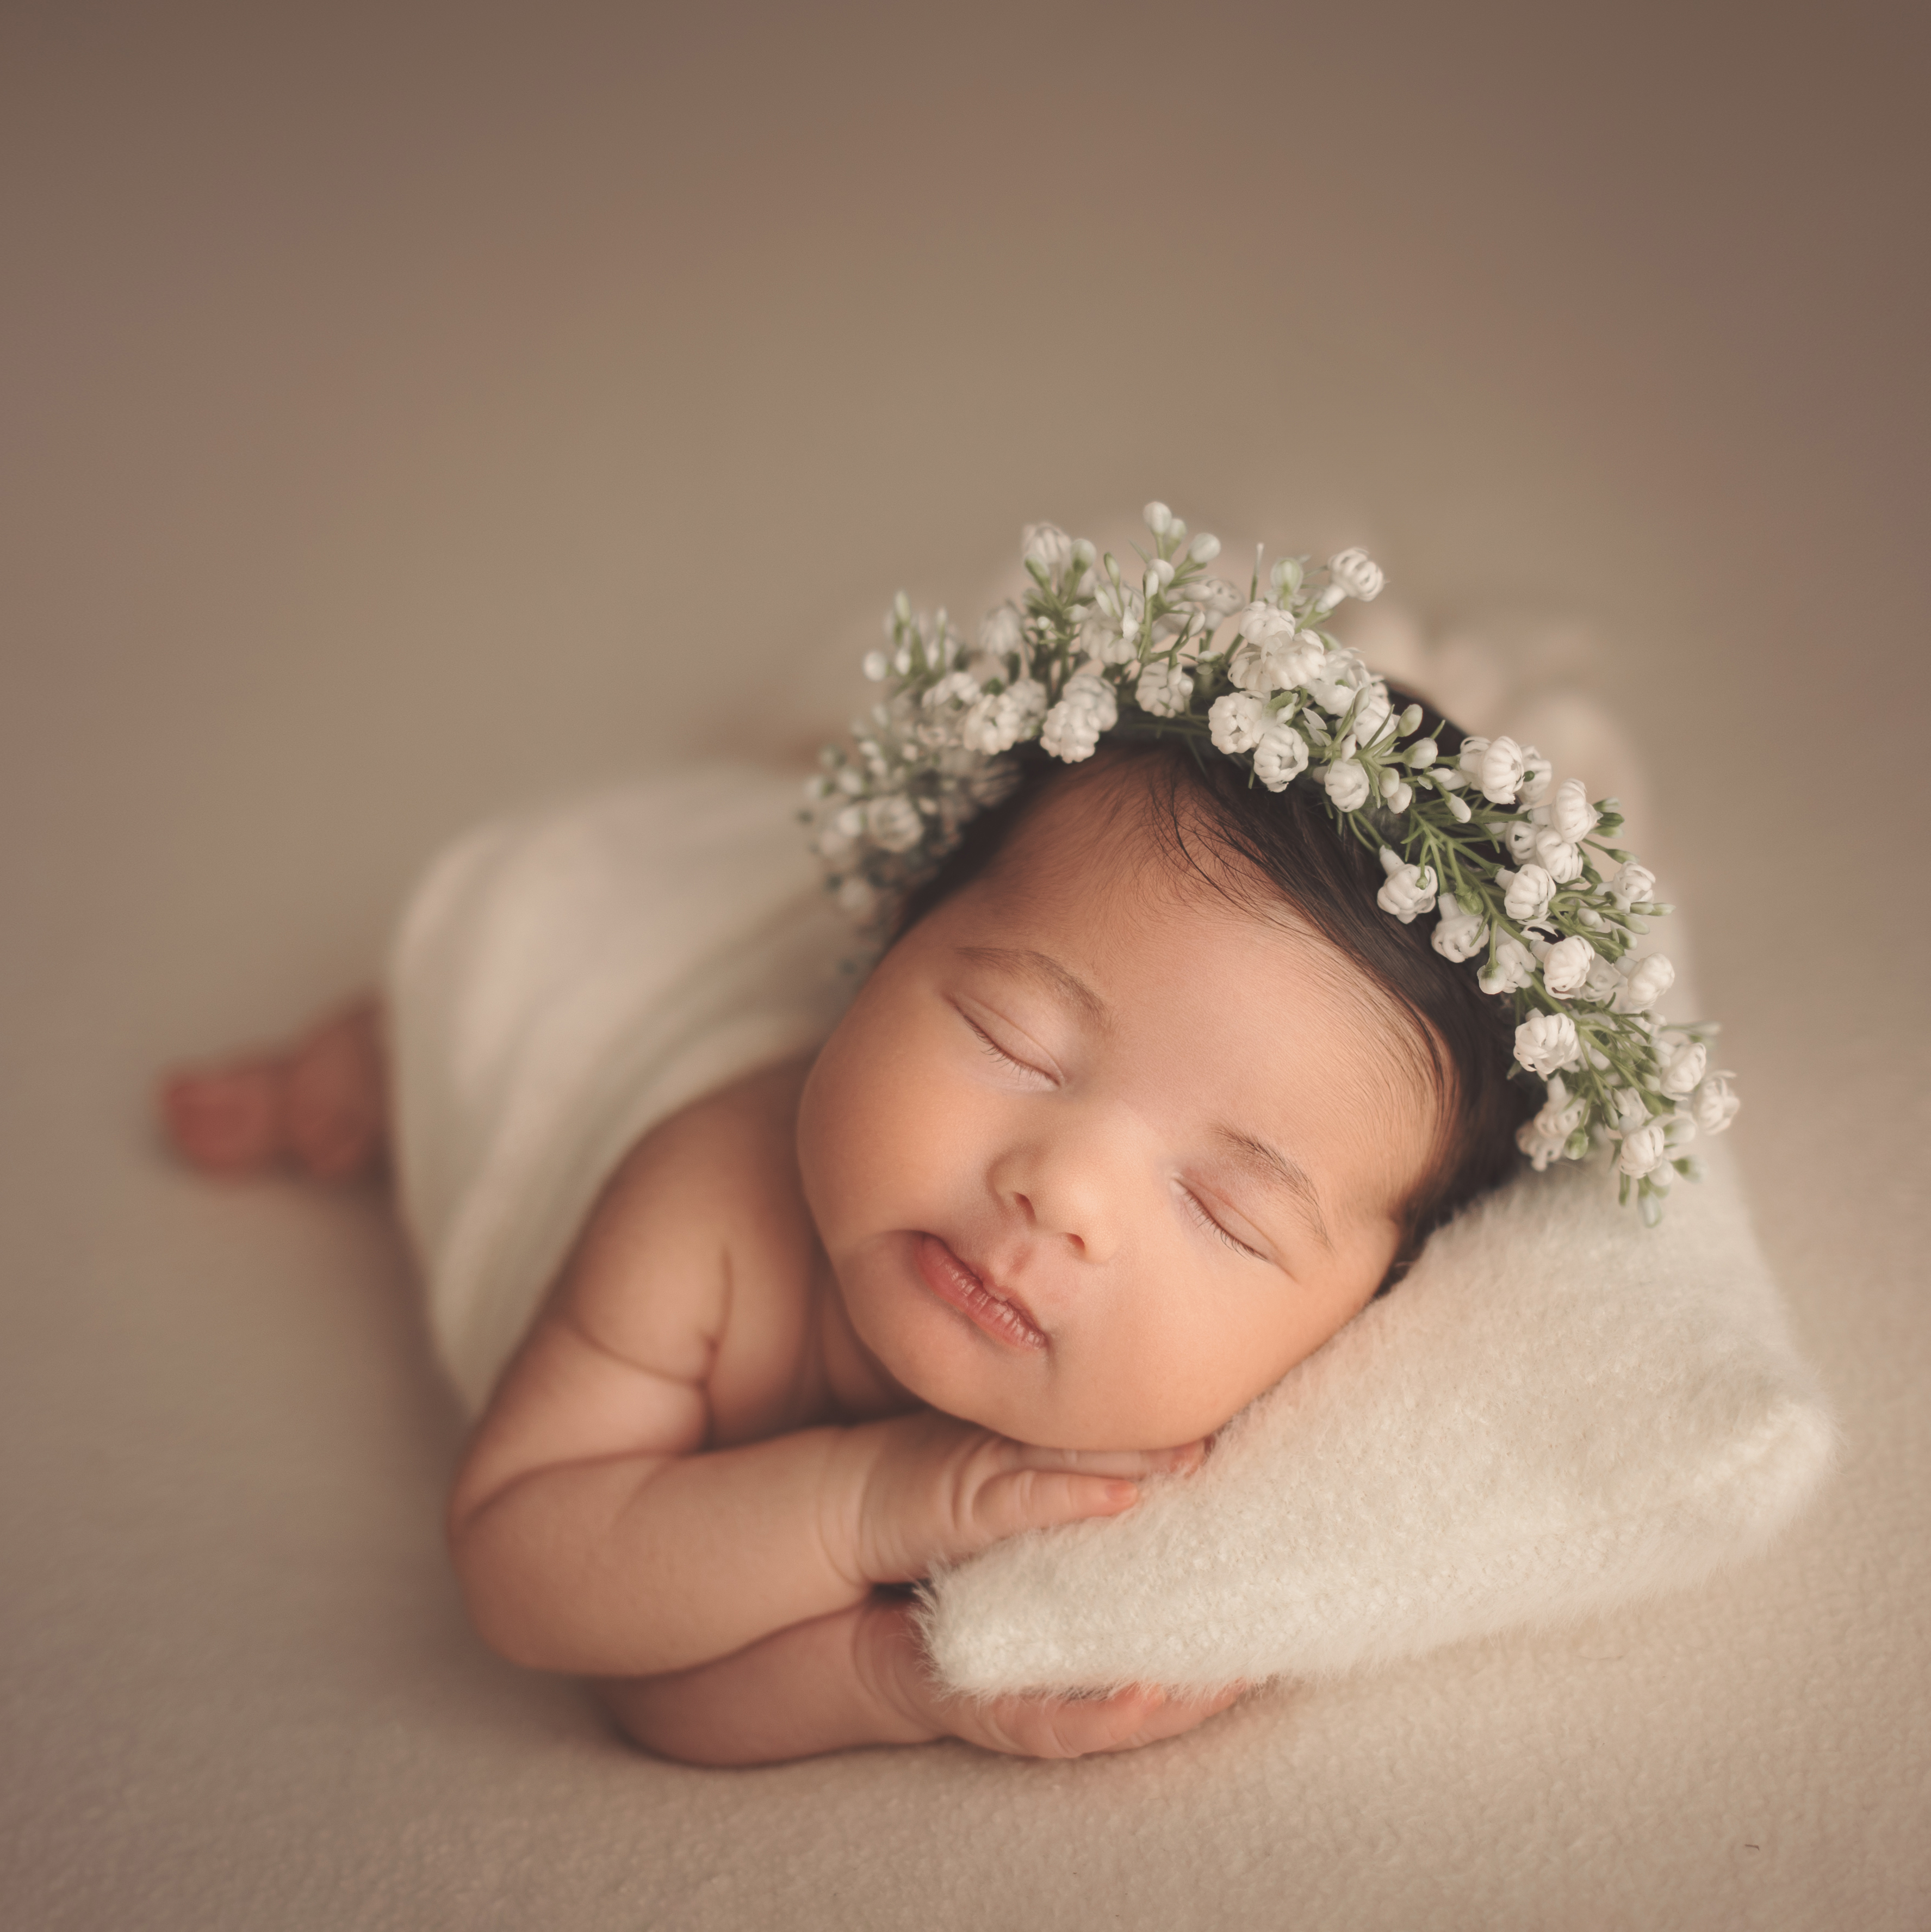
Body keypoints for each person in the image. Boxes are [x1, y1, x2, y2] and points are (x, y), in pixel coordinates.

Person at [159, 514, 1716, 1766]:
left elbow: (654, 1696)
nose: (1065, 1190)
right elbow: (536, 1576)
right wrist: (873, 1505)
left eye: (1225, 1208)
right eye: (1014, 1041)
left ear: (1361, 1308)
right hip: (612, 990)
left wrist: (894, 1682)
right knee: (508, 975)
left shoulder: (1225, 1426)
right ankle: (354, 1055)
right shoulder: (704, 1206)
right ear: (893, 947)